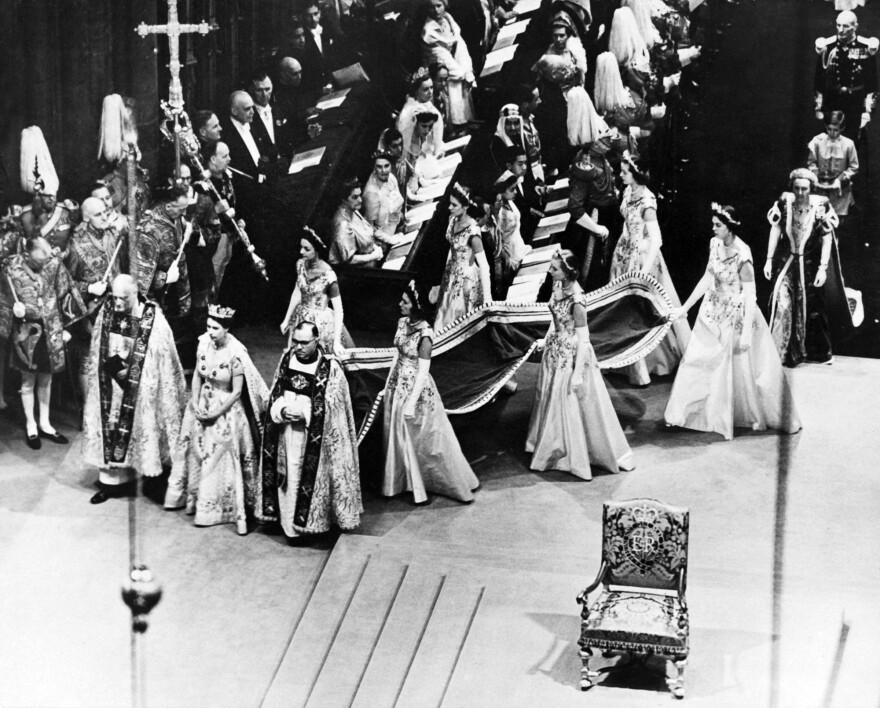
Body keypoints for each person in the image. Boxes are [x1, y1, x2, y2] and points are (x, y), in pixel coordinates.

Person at [665, 205, 802, 440]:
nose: (713, 228)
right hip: (711, 313)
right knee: (697, 361)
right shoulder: (714, 244)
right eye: (713, 224)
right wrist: (685, 308)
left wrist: (747, 332)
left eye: (718, 225)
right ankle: (686, 414)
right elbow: (708, 277)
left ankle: (723, 416)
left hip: (735, 316)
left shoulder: (743, 253)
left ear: (730, 226)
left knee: (732, 370)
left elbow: (750, 295)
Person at [526, 249, 635, 478]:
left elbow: (584, 339)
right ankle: (549, 443)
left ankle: (573, 455)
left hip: (571, 355)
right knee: (550, 397)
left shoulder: (577, 301)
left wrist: (577, 373)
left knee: (569, 402)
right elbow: (555, 318)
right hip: (555, 351)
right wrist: (545, 341)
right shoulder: (557, 287)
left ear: (567, 273)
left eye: (554, 268)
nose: (549, 271)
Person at [82, 274, 186, 504]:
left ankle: (151, 476)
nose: (117, 303)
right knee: (111, 427)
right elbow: (98, 344)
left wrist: (137, 373)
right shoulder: (107, 311)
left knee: (143, 428)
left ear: (135, 293)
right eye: (114, 297)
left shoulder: (153, 318)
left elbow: (162, 356)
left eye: (123, 298)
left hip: (141, 387)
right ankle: (113, 483)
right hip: (113, 385)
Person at [164, 305, 269, 534]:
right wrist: (195, 402)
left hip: (225, 409)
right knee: (195, 453)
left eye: (215, 328)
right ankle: (191, 499)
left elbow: (237, 392)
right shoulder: (203, 343)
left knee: (217, 459)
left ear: (227, 329)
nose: (210, 332)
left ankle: (221, 509)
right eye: (208, 326)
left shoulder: (236, 353)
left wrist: (214, 413)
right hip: (202, 404)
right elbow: (197, 377)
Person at [259, 321, 362, 539]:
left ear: (317, 340)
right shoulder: (287, 358)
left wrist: (306, 413)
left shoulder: (329, 367)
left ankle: (309, 526)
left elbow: (334, 405)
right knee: (288, 477)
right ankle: (289, 528)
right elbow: (275, 391)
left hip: (313, 439)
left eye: (304, 343)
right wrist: (281, 409)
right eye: (295, 341)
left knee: (303, 477)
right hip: (286, 432)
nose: (298, 347)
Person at [382, 280, 480, 503]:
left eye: (405, 302)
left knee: (426, 441)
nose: (400, 304)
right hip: (397, 386)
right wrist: (389, 382)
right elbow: (397, 355)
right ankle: (401, 482)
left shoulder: (425, 335)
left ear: (416, 306)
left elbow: (423, 371)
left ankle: (431, 483)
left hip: (416, 391)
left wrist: (410, 403)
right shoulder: (402, 322)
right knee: (398, 436)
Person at [609, 153, 690, 385]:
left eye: (625, 172)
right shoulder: (627, 191)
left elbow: (657, 239)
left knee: (643, 309)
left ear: (636, 175)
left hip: (643, 256)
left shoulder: (647, 201)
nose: (621, 175)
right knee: (625, 308)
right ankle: (629, 363)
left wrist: (644, 269)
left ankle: (650, 365)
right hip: (625, 252)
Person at [0, 236, 87, 448]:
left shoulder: (54, 263)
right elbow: (2, 298)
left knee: (47, 379)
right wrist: (12, 310)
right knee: (27, 381)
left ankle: (45, 423)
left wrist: (68, 328)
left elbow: (67, 293)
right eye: (39, 261)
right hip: (25, 330)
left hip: (51, 327)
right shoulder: (10, 268)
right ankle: (31, 425)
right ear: (27, 255)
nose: (43, 263)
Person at [765, 168, 839, 366]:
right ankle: (779, 351)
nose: (800, 193)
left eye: (804, 189)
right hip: (787, 262)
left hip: (808, 264)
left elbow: (826, 238)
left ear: (811, 189)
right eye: (796, 188)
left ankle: (812, 352)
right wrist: (769, 258)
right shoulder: (784, 203)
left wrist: (823, 267)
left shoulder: (821, 205)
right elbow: (776, 227)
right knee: (782, 303)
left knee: (812, 307)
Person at [532, 14, 605, 164]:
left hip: (574, 99)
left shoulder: (575, 52)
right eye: (555, 36)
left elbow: (581, 79)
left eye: (562, 36)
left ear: (568, 35)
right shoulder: (546, 53)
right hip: (554, 103)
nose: (558, 39)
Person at [131, 185, 192, 337]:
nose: (184, 213)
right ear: (168, 206)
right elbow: (141, 274)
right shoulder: (149, 230)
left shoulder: (175, 216)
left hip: (177, 286)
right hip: (159, 291)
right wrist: (164, 278)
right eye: (181, 209)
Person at [281, 227, 353, 353]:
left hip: (320, 323)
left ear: (317, 250)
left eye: (307, 249)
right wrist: (286, 319)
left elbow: (338, 310)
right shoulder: (300, 265)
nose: (301, 251)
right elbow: (297, 292)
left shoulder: (328, 275)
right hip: (300, 318)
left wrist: (336, 343)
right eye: (301, 247)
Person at [433, 183, 492, 331]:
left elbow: (484, 266)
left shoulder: (473, 231)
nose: (450, 208)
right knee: (443, 317)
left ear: (465, 207)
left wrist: (487, 300)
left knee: (458, 319)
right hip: (450, 277)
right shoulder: (452, 220)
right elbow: (452, 249)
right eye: (450, 204)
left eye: (454, 205)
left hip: (466, 280)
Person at [565, 128, 618, 286]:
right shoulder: (584, 164)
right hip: (593, 222)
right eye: (605, 139)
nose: (610, 141)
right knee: (592, 272)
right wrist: (595, 228)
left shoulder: (600, 156)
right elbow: (574, 207)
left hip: (608, 217)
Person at [814, 10, 878, 142]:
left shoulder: (865, 47)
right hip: (833, 102)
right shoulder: (828, 46)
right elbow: (819, 78)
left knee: (853, 143)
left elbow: (872, 81)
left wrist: (868, 110)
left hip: (855, 103)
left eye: (845, 26)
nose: (840, 30)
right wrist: (819, 105)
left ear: (855, 27)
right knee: (830, 143)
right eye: (838, 25)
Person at [421, 0, 476, 132]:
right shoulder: (428, 32)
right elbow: (444, 60)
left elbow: (461, 48)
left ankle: (465, 124)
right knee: (453, 83)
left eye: (439, 6)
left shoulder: (448, 19)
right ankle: (456, 126)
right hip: (444, 72)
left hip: (456, 66)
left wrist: (468, 71)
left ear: (445, 4)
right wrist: (464, 73)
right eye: (431, 7)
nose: (436, 11)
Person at [807, 111, 859, 220]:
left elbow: (854, 167)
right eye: (829, 129)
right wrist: (816, 174)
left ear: (842, 128)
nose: (832, 133)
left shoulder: (849, 144)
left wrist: (840, 179)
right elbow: (811, 163)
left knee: (838, 222)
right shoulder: (817, 141)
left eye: (836, 130)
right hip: (820, 189)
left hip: (841, 192)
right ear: (825, 126)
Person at [328, 178, 384, 267]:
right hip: (355, 271)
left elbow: (367, 233)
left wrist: (375, 248)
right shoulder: (342, 224)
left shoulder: (353, 210)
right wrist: (372, 256)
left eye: (359, 195)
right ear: (344, 200)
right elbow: (349, 260)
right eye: (355, 197)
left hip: (369, 260)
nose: (360, 200)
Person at [491, 171, 529, 297]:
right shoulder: (499, 212)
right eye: (512, 189)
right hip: (511, 255)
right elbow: (498, 238)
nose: (515, 192)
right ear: (501, 191)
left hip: (520, 247)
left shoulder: (510, 202)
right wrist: (508, 261)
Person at [396, 69, 445, 161]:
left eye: (431, 87)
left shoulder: (427, 104)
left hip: (431, 150)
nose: (430, 92)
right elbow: (407, 141)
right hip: (418, 155)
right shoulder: (411, 111)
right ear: (416, 91)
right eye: (425, 89)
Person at [362, 150, 406, 249]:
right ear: (374, 168)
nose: (384, 170)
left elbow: (396, 205)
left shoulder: (391, 178)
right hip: (382, 242)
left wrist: (396, 227)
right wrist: (389, 239)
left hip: (396, 230)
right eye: (379, 167)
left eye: (386, 166)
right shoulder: (371, 193)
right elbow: (370, 228)